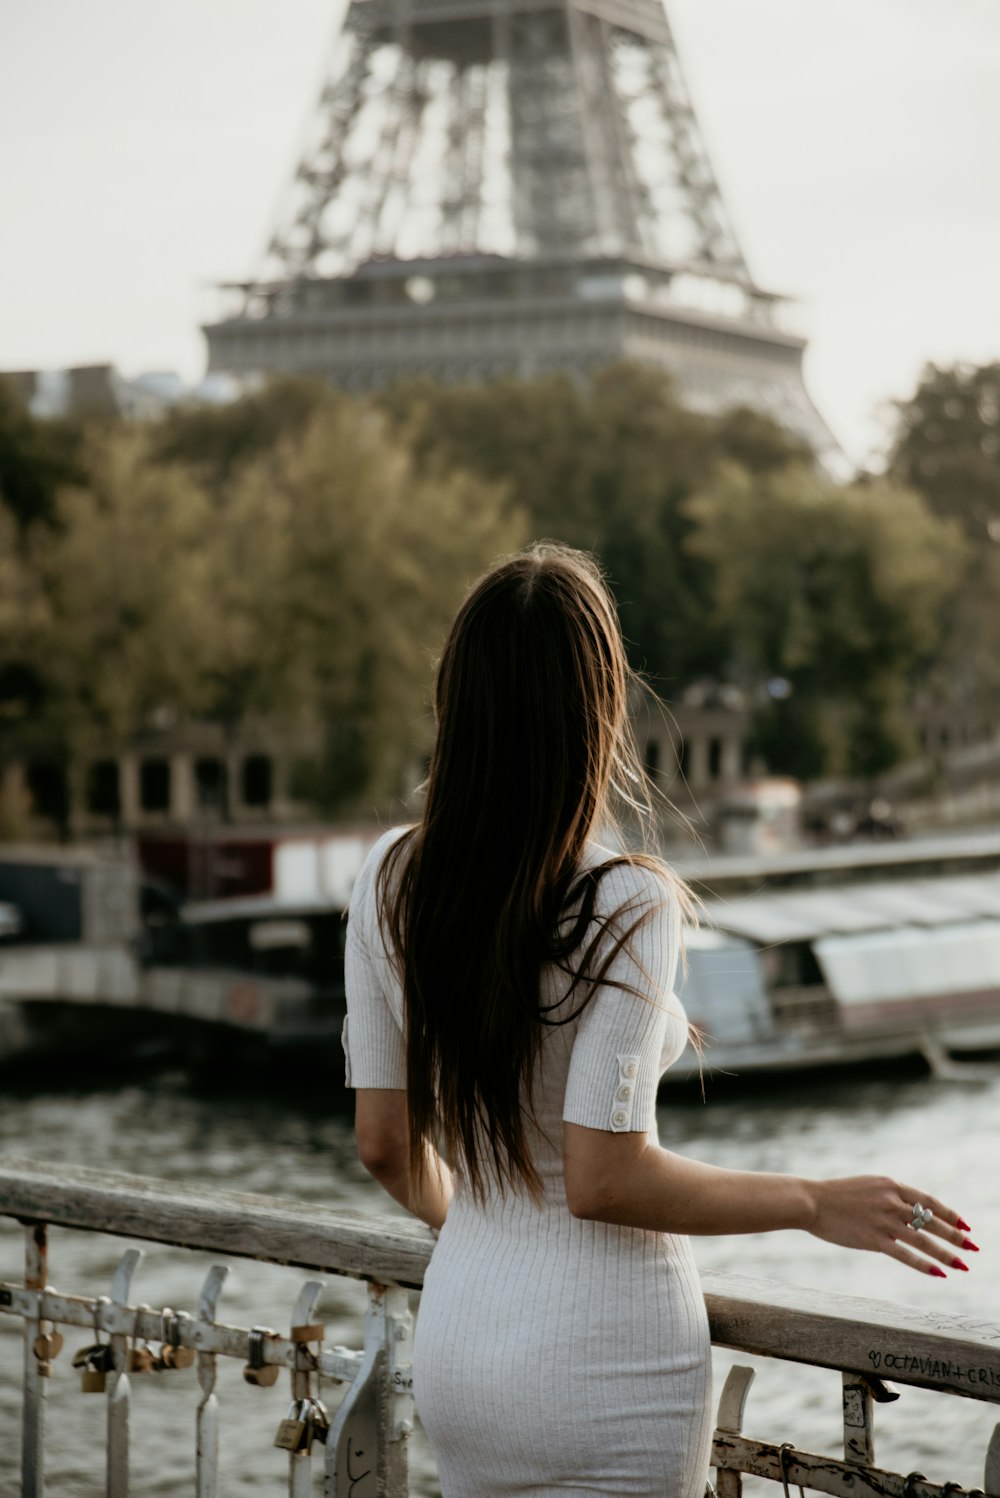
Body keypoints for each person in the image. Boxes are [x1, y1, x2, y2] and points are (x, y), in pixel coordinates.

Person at [343, 543, 975, 1498]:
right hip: (606, 1366)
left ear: (454, 705)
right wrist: (812, 1202)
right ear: (600, 712)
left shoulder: (389, 879)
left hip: (464, 1346)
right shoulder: (627, 904)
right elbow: (604, 1176)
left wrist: (490, 1236)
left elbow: (385, 1144)